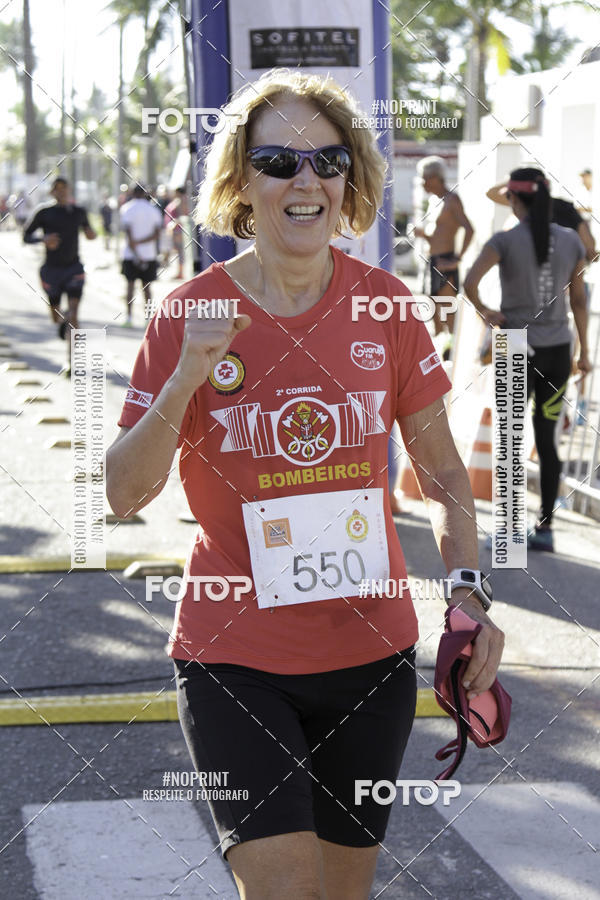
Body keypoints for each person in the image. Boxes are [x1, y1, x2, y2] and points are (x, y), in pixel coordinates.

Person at [107, 70, 504, 900]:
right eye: (279, 160)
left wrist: (468, 594)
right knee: (285, 890)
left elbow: (441, 473)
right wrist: (184, 379)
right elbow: (122, 494)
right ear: (240, 182)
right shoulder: (189, 314)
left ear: (349, 180)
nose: (306, 179)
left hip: (371, 657)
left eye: (327, 160)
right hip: (235, 656)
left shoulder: (386, 307)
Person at [465, 167, 591, 553]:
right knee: (547, 440)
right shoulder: (571, 240)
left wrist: (487, 311)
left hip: (514, 345)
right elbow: (579, 300)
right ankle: (545, 529)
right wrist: (585, 353)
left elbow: (469, 283)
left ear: (514, 199)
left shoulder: (504, 240)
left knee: (509, 439)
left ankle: (507, 533)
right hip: (558, 350)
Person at [23, 177, 97, 346]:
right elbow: (26, 236)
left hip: (74, 268)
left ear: (69, 190)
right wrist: (43, 239)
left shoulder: (78, 212)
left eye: (65, 187)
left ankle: (75, 356)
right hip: (51, 270)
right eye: (58, 188)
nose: (62, 191)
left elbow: (90, 232)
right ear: (52, 192)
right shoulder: (44, 212)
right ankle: (64, 320)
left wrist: (91, 234)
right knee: (56, 317)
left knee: (74, 313)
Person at [414, 156, 474, 336]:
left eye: (424, 178)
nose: (422, 183)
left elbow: (469, 229)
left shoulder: (452, 200)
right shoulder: (434, 200)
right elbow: (438, 236)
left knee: (448, 313)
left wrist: (457, 259)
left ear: (434, 178)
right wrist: (424, 235)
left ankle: (454, 351)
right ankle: (440, 350)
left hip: (445, 261)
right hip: (432, 260)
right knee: (433, 311)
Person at [119, 184, 163, 325]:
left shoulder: (127, 208)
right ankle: (148, 318)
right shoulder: (153, 210)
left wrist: (136, 247)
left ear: (132, 193)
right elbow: (156, 234)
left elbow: (128, 234)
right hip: (149, 254)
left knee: (130, 287)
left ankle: (129, 317)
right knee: (147, 288)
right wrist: (142, 244)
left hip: (130, 255)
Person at [163, 186, 189, 279]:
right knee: (178, 251)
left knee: (180, 251)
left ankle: (181, 273)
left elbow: (182, 217)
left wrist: (174, 226)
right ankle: (179, 272)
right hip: (175, 231)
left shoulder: (181, 202)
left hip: (178, 231)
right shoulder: (177, 201)